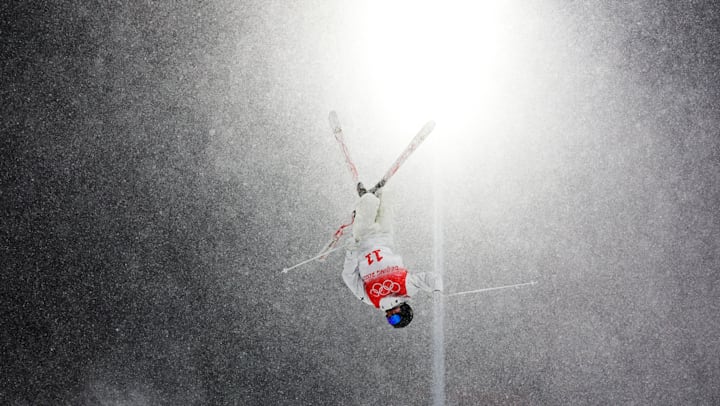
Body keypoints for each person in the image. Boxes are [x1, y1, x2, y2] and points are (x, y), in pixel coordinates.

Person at [341, 184, 443, 328]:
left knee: (369, 201)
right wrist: (437, 290)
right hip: (384, 237)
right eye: (394, 319)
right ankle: (378, 193)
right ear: (403, 311)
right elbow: (431, 278)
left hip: (363, 240)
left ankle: (365, 199)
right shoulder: (408, 288)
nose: (389, 317)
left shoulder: (371, 299)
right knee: (388, 198)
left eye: (390, 321)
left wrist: (351, 253)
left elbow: (349, 276)